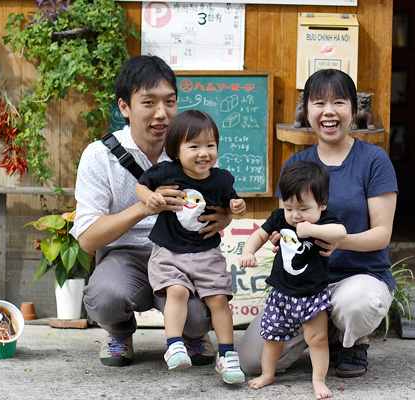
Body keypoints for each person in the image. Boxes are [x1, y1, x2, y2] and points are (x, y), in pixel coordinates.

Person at [71, 55, 233, 367]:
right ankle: (119, 332)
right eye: (148, 102)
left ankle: (193, 335)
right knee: (105, 298)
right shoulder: (99, 156)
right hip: (124, 255)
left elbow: (221, 200)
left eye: (170, 101)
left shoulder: (197, 149)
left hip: (184, 256)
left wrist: (225, 214)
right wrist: (143, 208)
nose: (162, 113)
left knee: (201, 316)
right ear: (124, 107)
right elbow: (88, 240)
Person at [239, 69, 398, 379]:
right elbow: (282, 221)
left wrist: (337, 240)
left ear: (353, 110)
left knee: (356, 303)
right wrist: (274, 240)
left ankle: (351, 340)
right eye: (318, 102)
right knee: (252, 362)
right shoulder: (296, 165)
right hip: (302, 288)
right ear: (307, 111)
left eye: (339, 102)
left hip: (356, 277)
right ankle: (322, 332)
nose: (329, 111)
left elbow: (381, 235)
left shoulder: (373, 160)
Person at [135, 109, 246, 383]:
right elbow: (141, 185)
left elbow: (231, 202)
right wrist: (148, 197)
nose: (203, 153)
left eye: (210, 145)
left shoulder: (221, 179)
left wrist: (236, 206)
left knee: (219, 299)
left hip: (207, 253)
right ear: (176, 150)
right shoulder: (166, 172)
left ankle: (227, 355)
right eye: (194, 146)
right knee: (176, 292)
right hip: (169, 252)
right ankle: (174, 345)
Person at [240, 160, 346, 399]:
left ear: (322, 204)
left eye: (303, 209)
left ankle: (318, 380)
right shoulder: (279, 218)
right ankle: (268, 374)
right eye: (289, 208)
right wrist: (248, 252)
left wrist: (313, 230)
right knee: (272, 338)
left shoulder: (325, 221)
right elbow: (259, 234)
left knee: (317, 339)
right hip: (281, 294)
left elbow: (340, 233)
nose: (295, 215)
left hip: (312, 295)